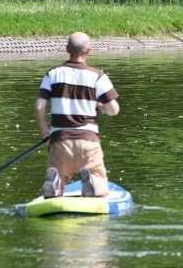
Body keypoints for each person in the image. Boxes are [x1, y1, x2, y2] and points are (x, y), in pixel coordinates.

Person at [35, 32, 120, 199]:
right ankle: (93, 183)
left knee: (57, 184)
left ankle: (55, 184)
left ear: (67, 49)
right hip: (87, 141)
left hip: (60, 141)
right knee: (101, 187)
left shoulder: (52, 74)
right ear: (88, 51)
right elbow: (114, 110)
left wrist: (45, 132)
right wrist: (99, 106)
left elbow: (39, 106)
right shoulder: (98, 76)